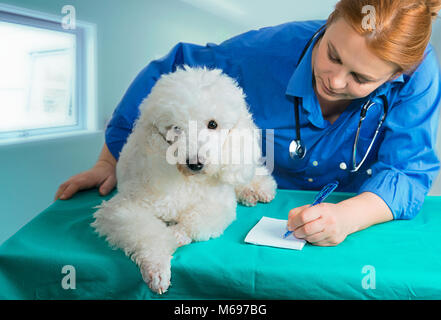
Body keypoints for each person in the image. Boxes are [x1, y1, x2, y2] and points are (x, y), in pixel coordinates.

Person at [55, 0, 441, 246]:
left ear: (396, 77)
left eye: (361, 79)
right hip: (251, 210)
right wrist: (109, 160)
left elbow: (408, 171)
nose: (335, 82)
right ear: (328, 23)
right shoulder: (261, 54)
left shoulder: (419, 74)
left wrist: (346, 217)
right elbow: (168, 75)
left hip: (349, 212)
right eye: (332, 55)